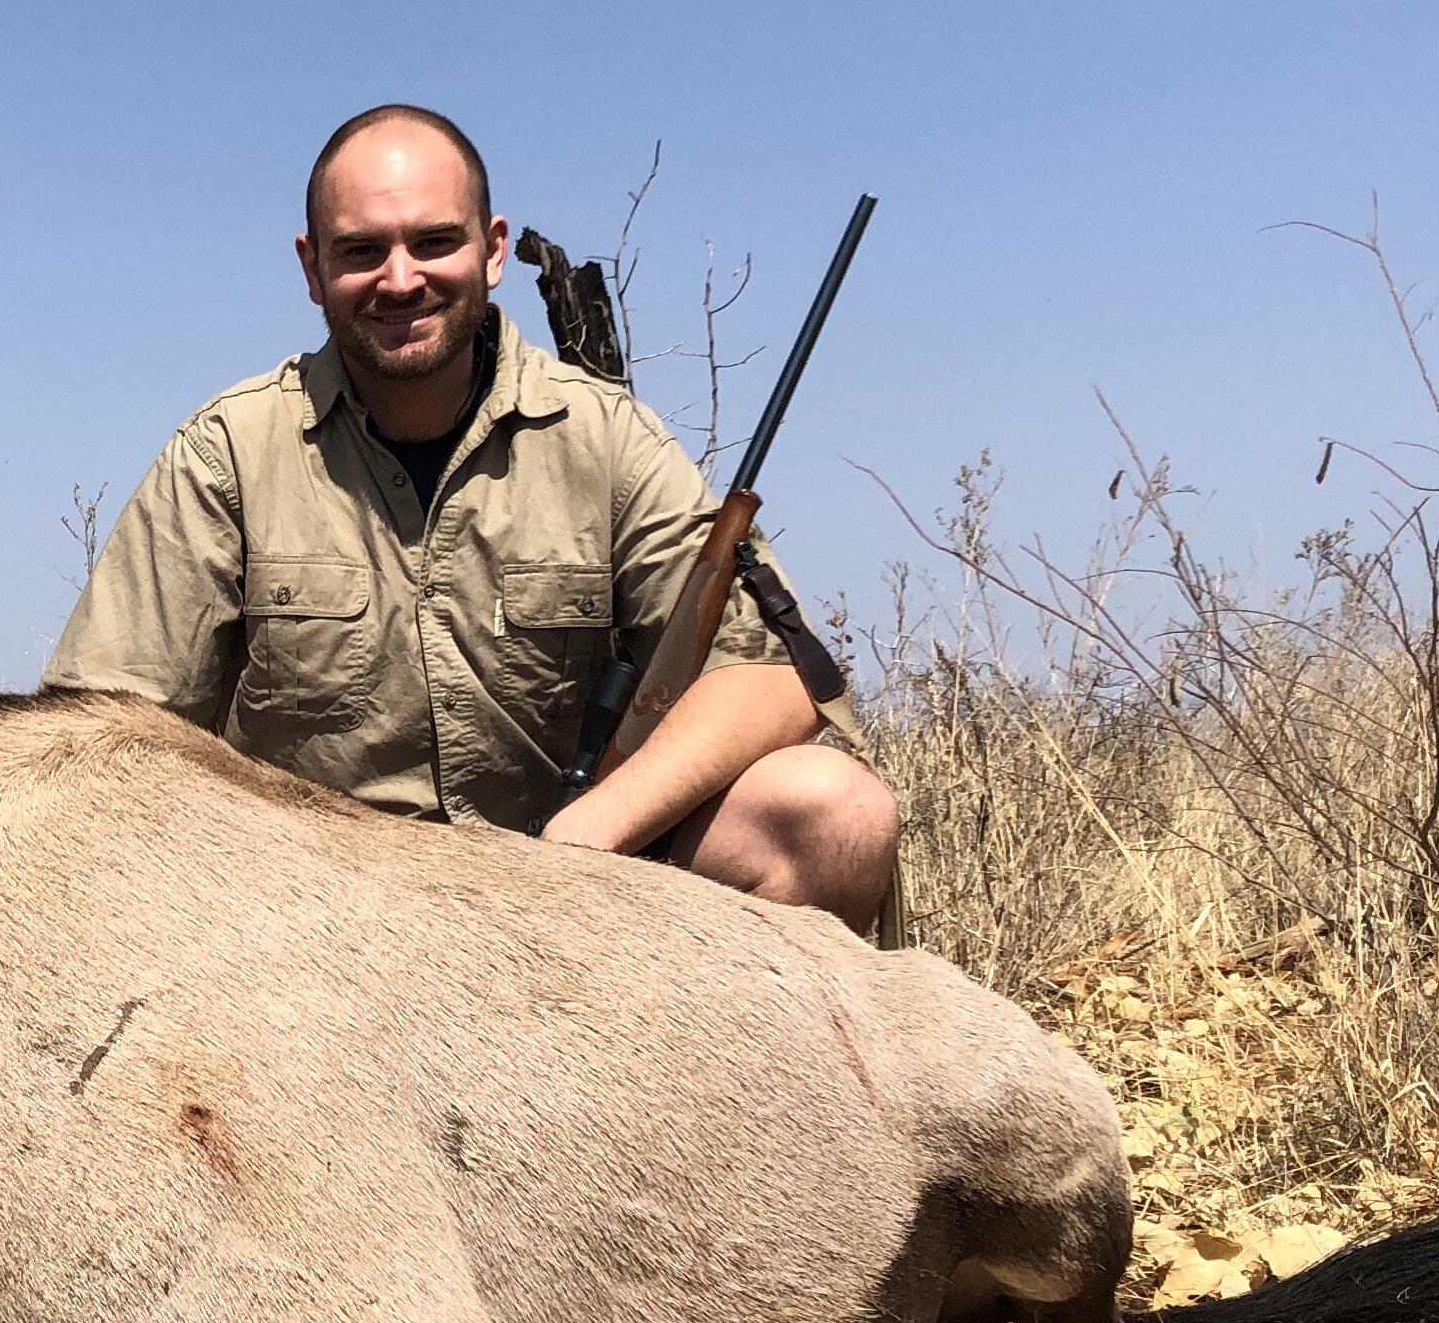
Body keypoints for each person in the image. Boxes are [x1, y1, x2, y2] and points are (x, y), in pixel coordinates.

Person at [46, 101, 903, 935]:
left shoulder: (607, 438)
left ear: (493, 251)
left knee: (831, 810)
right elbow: (93, 736)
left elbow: (775, 679)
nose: (400, 279)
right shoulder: (224, 452)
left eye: (433, 242)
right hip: (302, 929)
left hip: (571, 904)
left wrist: (587, 836)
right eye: (361, 251)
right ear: (312, 268)